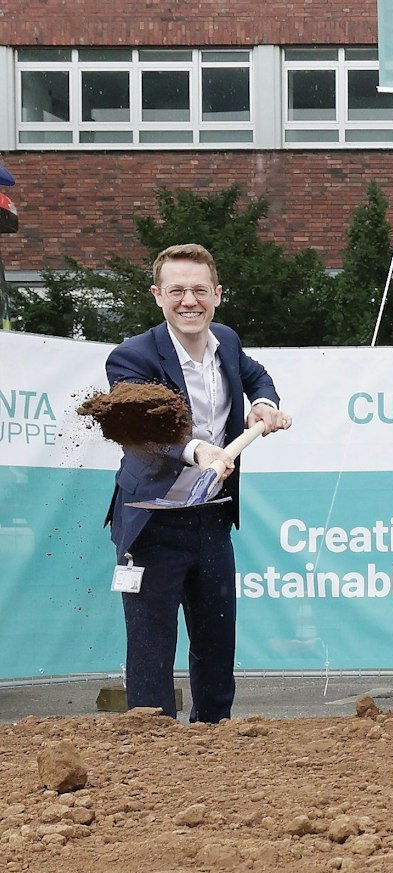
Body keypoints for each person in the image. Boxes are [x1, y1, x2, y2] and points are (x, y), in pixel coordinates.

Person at [104, 243, 293, 722]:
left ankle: (215, 734)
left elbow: (257, 375)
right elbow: (141, 428)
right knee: (151, 643)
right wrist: (197, 450)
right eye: (177, 291)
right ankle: (153, 739)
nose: (189, 301)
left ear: (217, 294)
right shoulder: (131, 358)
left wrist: (264, 403)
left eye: (200, 290)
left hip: (211, 516)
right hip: (152, 521)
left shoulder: (226, 341)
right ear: (157, 296)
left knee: (216, 636)